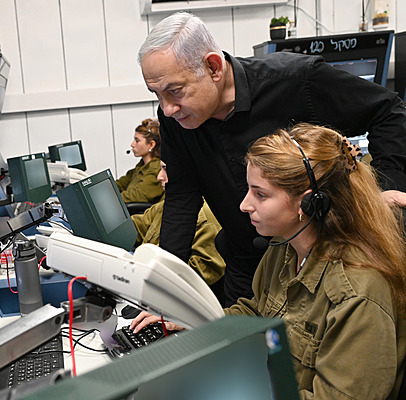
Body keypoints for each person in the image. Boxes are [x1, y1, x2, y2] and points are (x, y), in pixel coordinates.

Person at [138, 12, 406, 306]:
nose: (167, 108)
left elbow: (388, 111)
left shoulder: (296, 81)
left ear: (213, 67)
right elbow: (182, 197)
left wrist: (384, 191)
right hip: (247, 266)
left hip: (322, 259)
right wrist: (163, 294)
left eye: (174, 91)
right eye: (157, 95)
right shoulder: (175, 117)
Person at [131, 124, 406, 399]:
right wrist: (192, 319)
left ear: (309, 204)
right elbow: (257, 314)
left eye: (260, 194)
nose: (244, 205)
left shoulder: (357, 293)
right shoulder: (285, 247)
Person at [131, 160, 225, 301]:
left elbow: (195, 279)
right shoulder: (170, 205)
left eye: (166, 169)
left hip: (179, 299)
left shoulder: (208, 219)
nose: (159, 177)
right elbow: (139, 225)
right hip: (149, 283)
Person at [115, 118, 164, 204]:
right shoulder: (142, 165)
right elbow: (121, 184)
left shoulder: (156, 168)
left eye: (137, 140)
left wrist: (110, 200)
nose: (132, 144)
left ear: (151, 144)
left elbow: (137, 195)